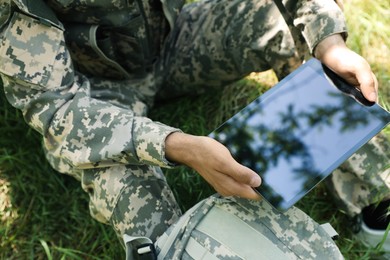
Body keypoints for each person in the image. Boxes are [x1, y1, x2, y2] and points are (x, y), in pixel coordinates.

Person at [0, 0, 388, 258]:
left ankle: (372, 198)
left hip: (169, 43)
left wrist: (329, 41)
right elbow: (57, 108)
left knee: (286, 31)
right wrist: (175, 145)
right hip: (92, 92)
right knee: (128, 184)